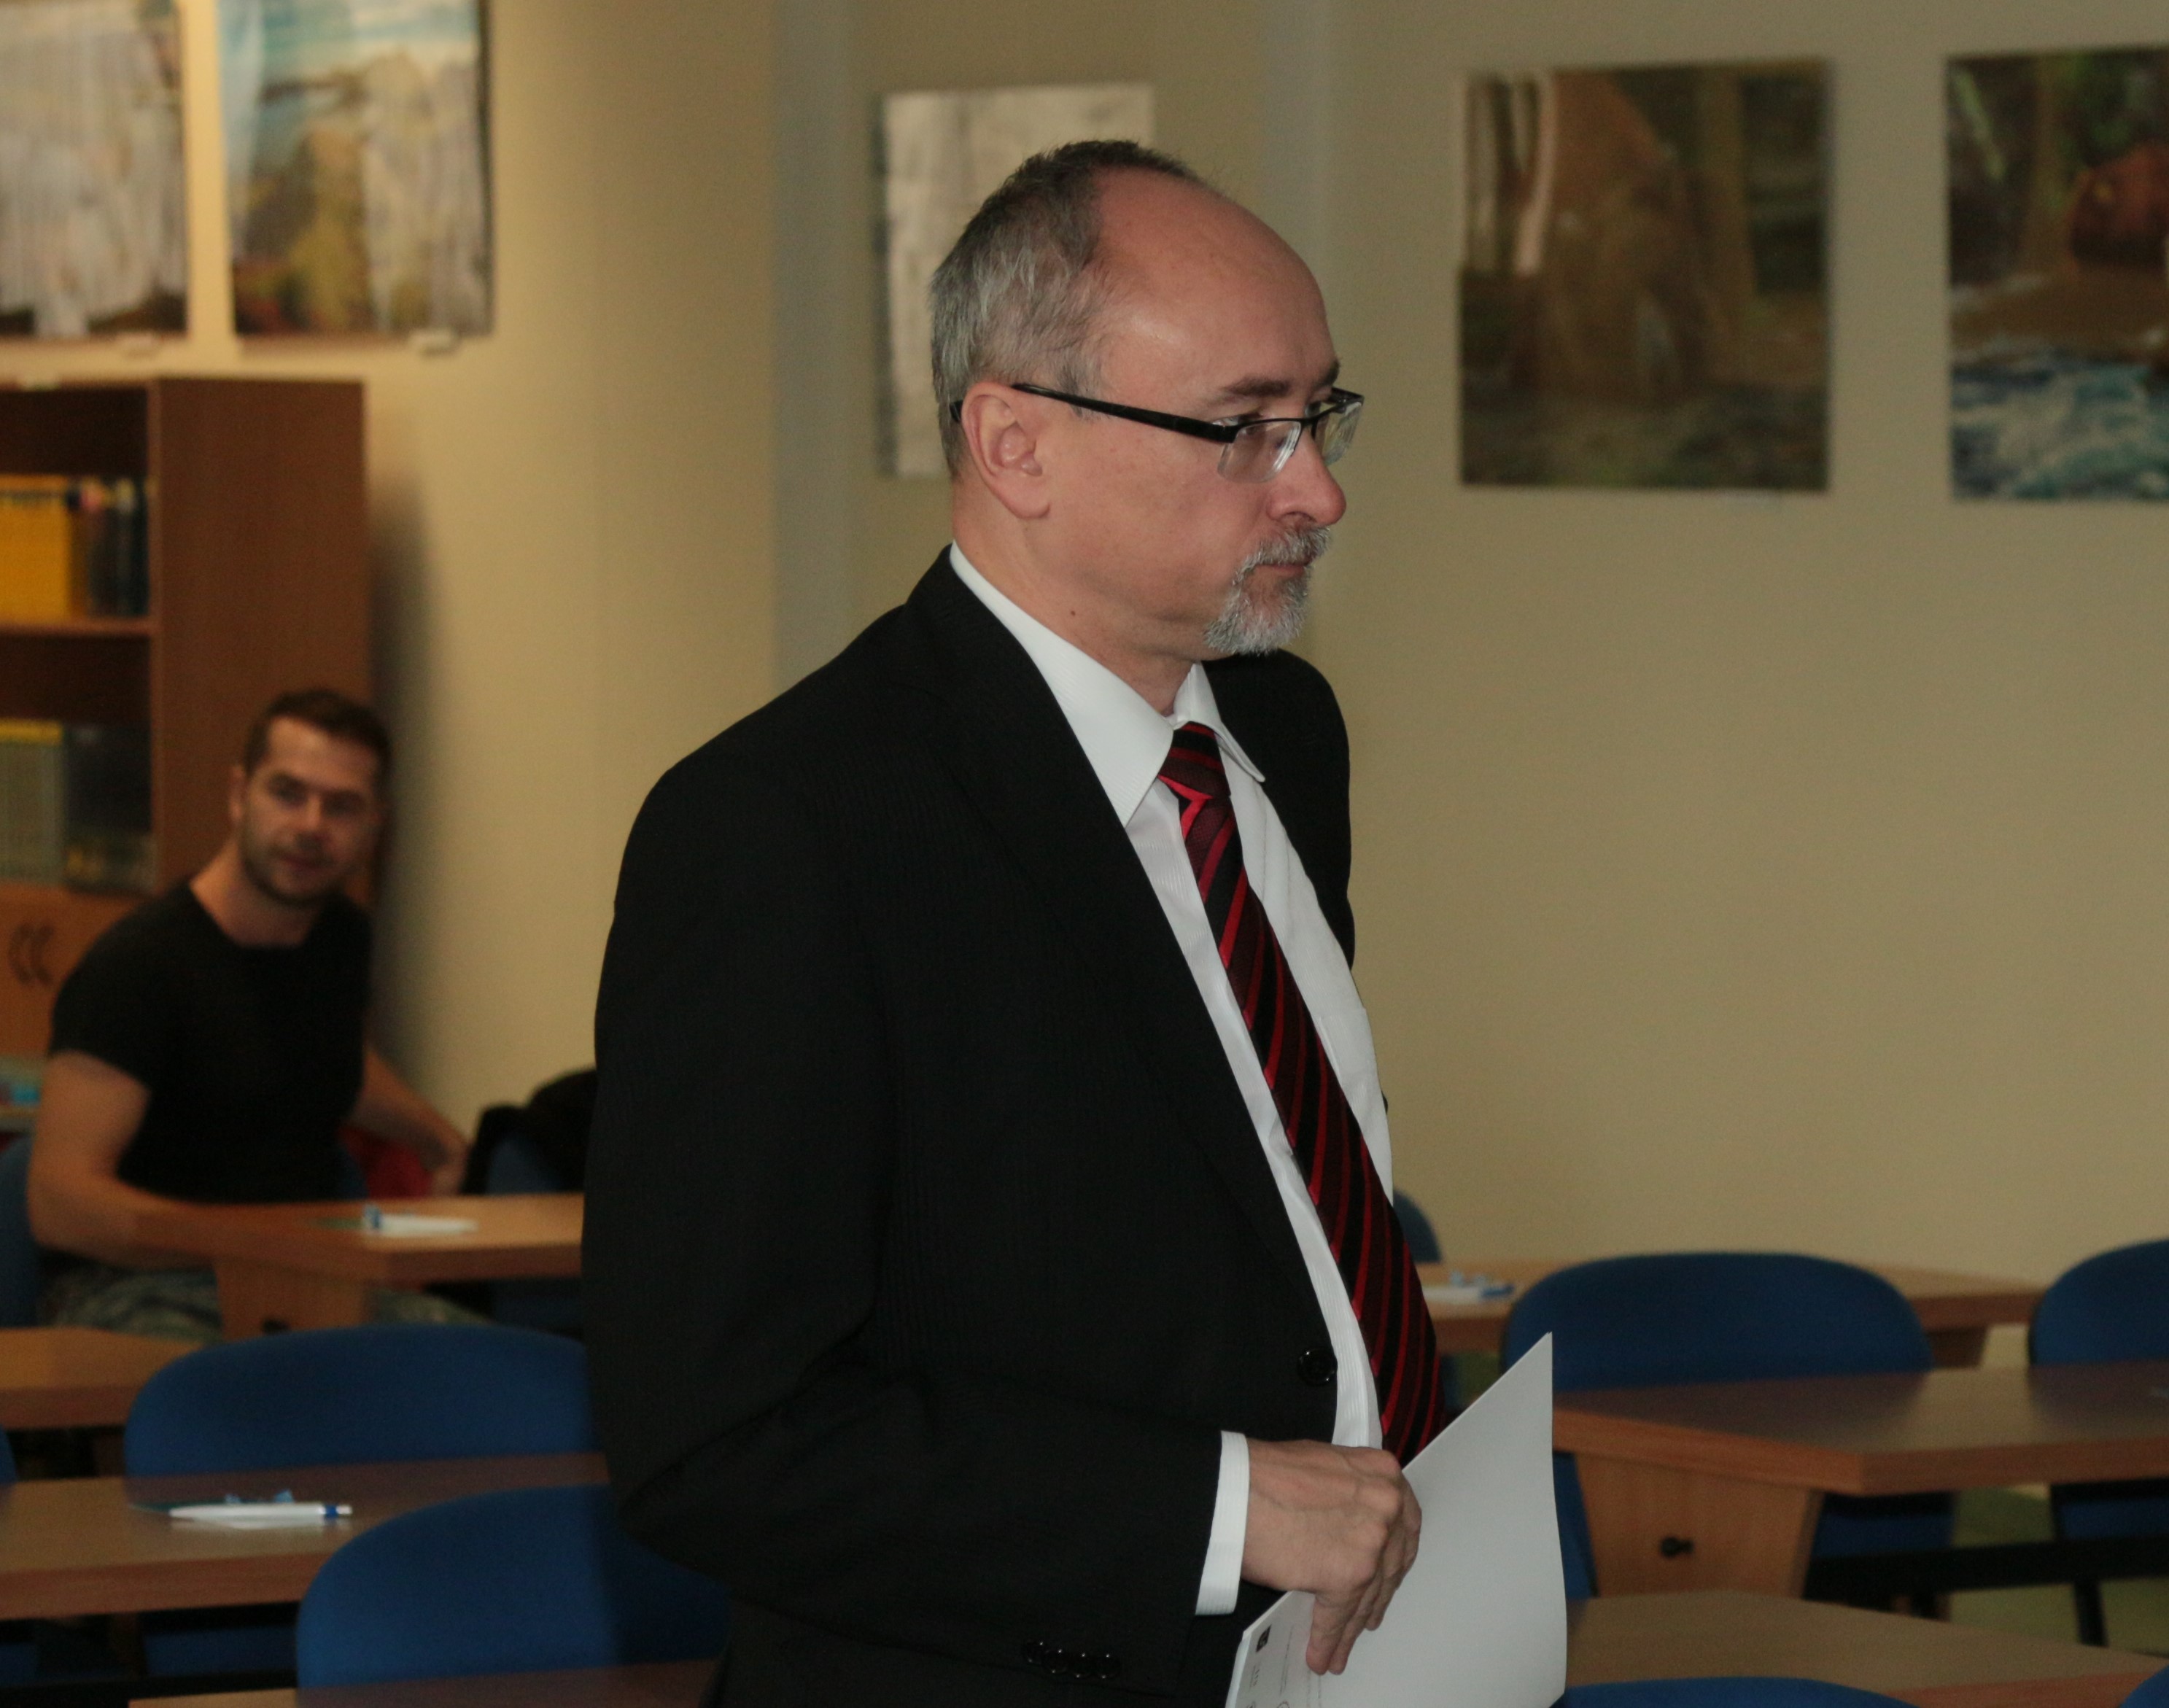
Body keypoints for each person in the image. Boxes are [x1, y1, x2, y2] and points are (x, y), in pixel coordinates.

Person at [586, 141, 1445, 1704]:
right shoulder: (787, 829)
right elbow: (716, 1440)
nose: (1316, 489)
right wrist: (1222, 1508)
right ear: (1015, 443)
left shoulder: (1282, 733)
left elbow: (1248, 1206)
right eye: (1242, 429)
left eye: (1318, 414)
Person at [27, 688, 473, 1343]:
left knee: (491, 1364)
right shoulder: (140, 965)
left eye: (342, 806)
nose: (311, 826)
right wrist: (252, 1245)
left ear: (375, 826)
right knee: (247, 1387)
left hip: (302, 1281)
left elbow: (318, 1057)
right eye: (287, 794)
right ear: (239, 796)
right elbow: (60, 1204)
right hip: (134, 1287)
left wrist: (439, 1140)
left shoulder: (340, 937)